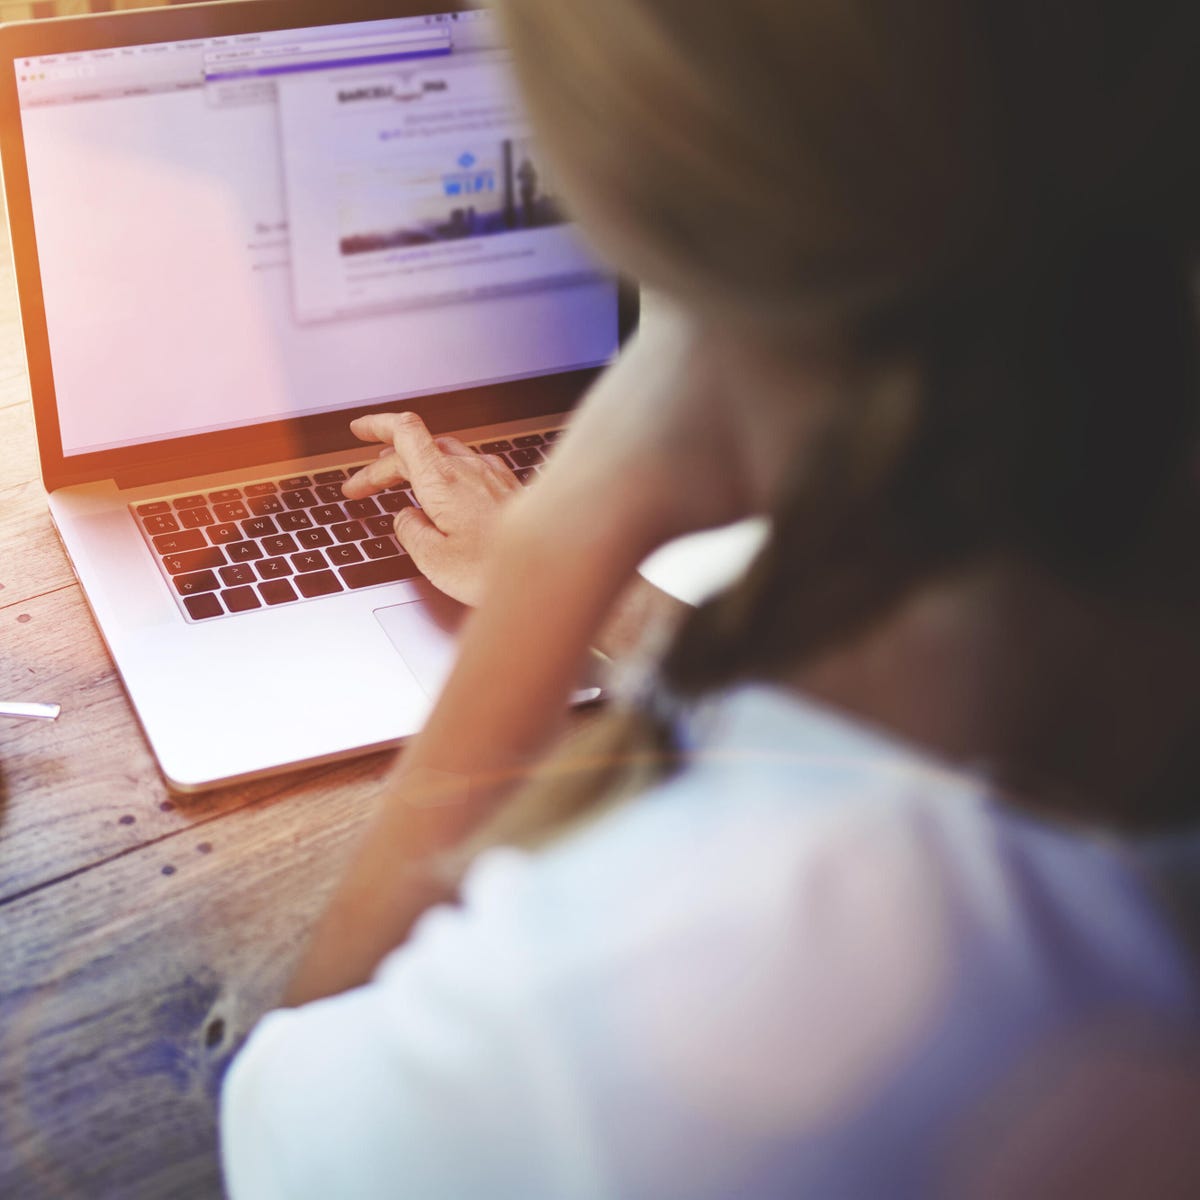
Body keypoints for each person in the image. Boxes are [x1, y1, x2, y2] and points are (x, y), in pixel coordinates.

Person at [221, 1, 1200, 1195]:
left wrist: (556, 551)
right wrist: (629, 611)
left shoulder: (625, 1008)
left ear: (625, 190)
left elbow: (290, 1115)